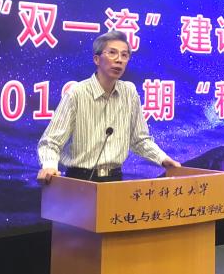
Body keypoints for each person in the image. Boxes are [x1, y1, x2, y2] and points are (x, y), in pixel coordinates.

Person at [37, 30, 180, 184]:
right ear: (97, 59)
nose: (119, 60)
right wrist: (49, 166)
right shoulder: (77, 93)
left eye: (124, 55)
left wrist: (163, 159)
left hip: (114, 180)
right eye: (112, 53)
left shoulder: (129, 92)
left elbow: (139, 140)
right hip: (80, 179)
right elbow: (51, 141)